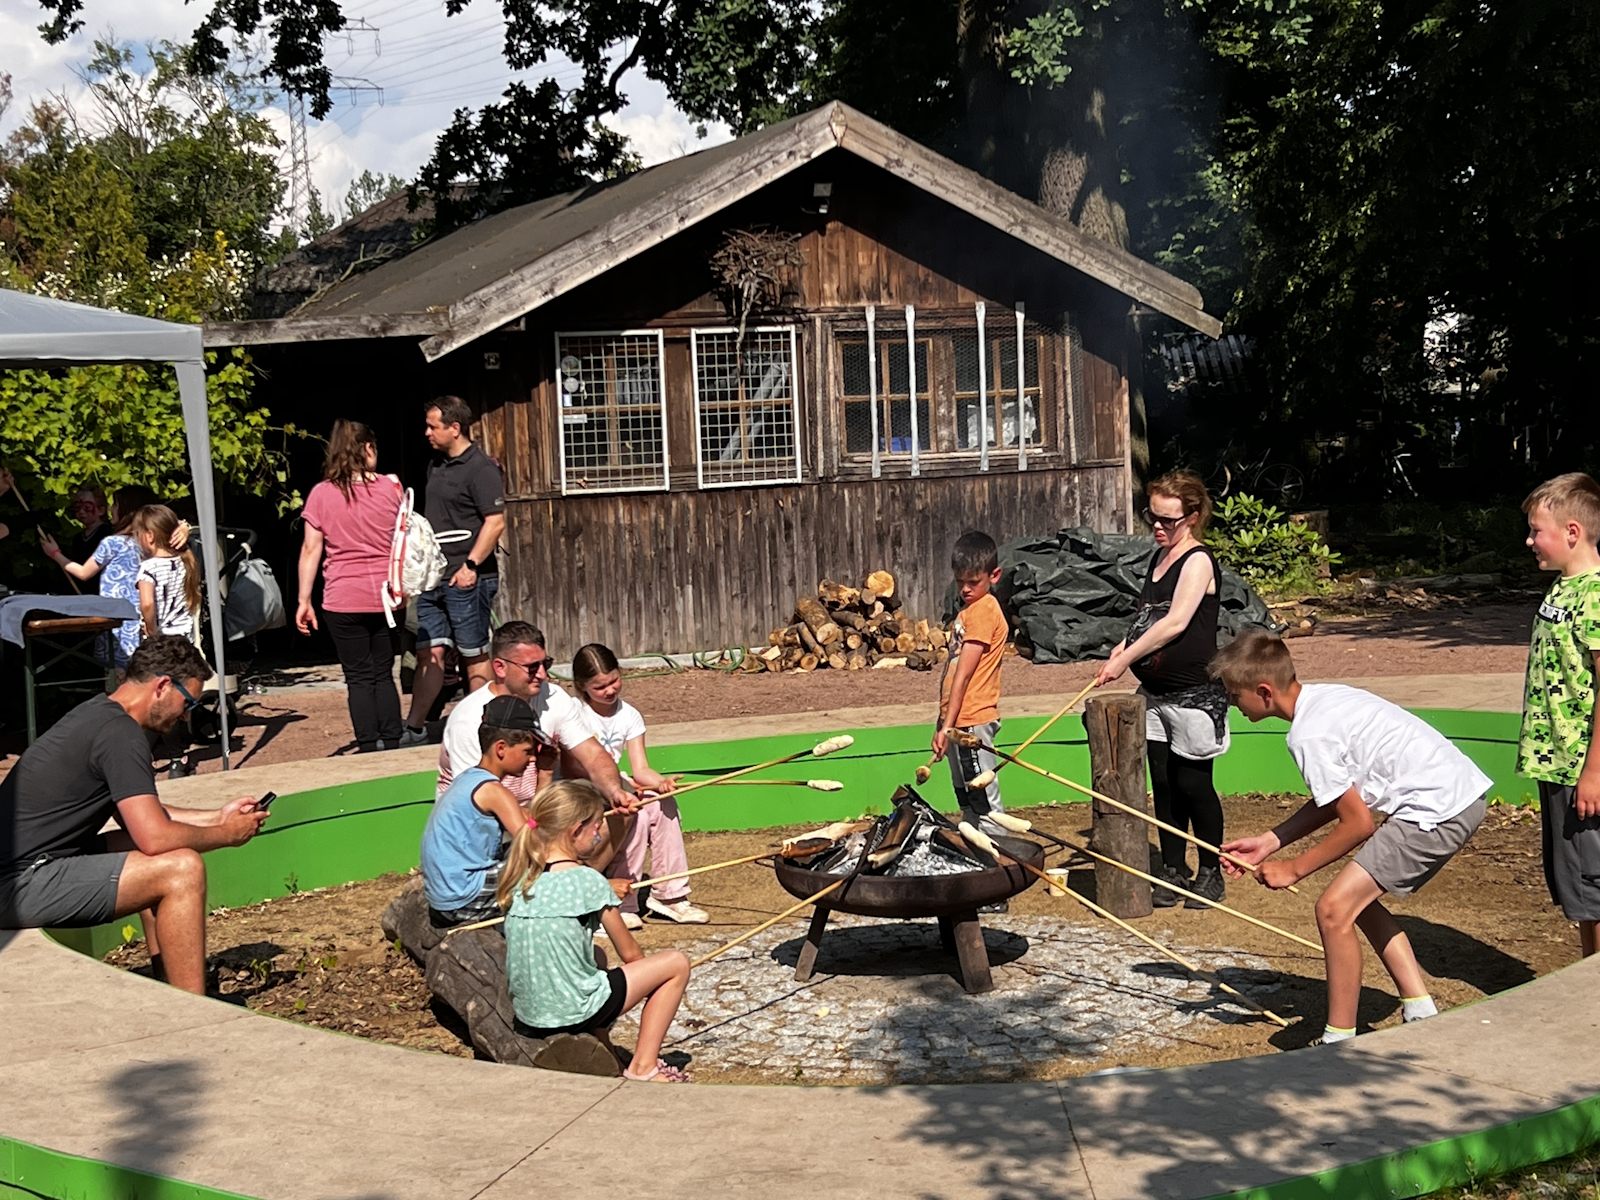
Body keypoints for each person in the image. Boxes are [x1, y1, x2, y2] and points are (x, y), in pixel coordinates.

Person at [1214, 629, 1488, 1045]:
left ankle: (1338, 1039)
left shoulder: (1308, 735)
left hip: (1436, 809)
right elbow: (1338, 798)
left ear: (1264, 692)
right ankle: (1419, 1006)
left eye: (1235, 696)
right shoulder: (1324, 699)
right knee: (1356, 901)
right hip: (1458, 796)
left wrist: (1294, 869)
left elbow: (1357, 823)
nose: (1234, 705)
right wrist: (1271, 841)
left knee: (1333, 909)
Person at [0, 636, 268, 993]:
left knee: (141, 847)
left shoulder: (100, 713)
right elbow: (155, 837)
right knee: (181, 869)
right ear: (162, 686)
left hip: (29, 868)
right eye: (188, 702)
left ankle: (168, 988)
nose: (185, 715)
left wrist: (217, 817)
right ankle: (195, 1010)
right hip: (16, 885)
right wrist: (226, 835)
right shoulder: (120, 735)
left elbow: (143, 813)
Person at [1095, 469, 1230, 907]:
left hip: (1194, 695)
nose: (1157, 526)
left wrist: (1125, 660)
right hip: (1154, 695)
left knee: (1194, 785)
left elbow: (1174, 622)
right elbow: (1146, 619)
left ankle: (1210, 870)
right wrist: (1120, 650)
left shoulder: (1198, 561)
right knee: (1164, 785)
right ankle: (1172, 867)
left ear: (1192, 517)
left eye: (1167, 520)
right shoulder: (1159, 558)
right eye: (1151, 516)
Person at [498, 779, 692, 1082]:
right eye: (597, 827)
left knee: (597, 955)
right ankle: (643, 1066)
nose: (600, 835)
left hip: (530, 1013)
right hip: (572, 1011)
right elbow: (632, 955)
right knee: (676, 964)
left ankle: (605, 1049)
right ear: (576, 830)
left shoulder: (521, 878)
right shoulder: (588, 880)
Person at [437, 623, 638, 860]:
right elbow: (476, 805)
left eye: (546, 664)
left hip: (540, 807)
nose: (543, 674)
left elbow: (593, 755)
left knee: (620, 794)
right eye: (532, 667)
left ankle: (575, 876)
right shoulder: (469, 720)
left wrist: (614, 792)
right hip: (485, 829)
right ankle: (557, 873)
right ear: (500, 667)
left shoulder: (554, 698)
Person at [1518, 472, 1600, 957]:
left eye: (1536, 531)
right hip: (1556, 762)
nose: (1529, 541)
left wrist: (1594, 771)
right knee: (1579, 893)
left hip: (1581, 767)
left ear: (1572, 532)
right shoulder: (1562, 588)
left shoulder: (1595, 594)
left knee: (1594, 887)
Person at [573, 643, 708, 927]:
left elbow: (641, 768)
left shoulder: (629, 714)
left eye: (614, 681)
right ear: (582, 686)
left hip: (619, 785)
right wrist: (620, 788)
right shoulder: (575, 713)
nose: (610, 690)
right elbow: (578, 769)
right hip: (585, 791)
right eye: (600, 687)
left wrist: (661, 783)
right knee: (637, 810)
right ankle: (624, 899)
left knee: (662, 803)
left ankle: (670, 895)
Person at [400, 396, 506, 745]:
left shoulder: (482, 468)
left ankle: (480, 728)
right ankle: (414, 727)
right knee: (429, 651)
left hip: (468, 578)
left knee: (473, 653)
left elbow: (495, 522)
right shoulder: (436, 465)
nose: (427, 432)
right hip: (434, 578)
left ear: (455, 428)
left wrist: (471, 566)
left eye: (433, 426)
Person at [296, 419, 405, 753]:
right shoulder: (390, 488)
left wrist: (303, 600)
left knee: (358, 676)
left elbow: (311, 549)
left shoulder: (321, 494)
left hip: (342, 597)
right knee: (384, 673)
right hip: (387, 596)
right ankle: (393, 740)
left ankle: (367, 745)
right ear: (367, 448)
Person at [420, 694, 543, 928]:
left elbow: (527, 820)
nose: (532, 759)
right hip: (462, 898)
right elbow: (533, 844)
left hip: (445, 895)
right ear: (501, 748)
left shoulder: (468, 779)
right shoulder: (493, 791)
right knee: (545, 872)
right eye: (527, 751)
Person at [931, 530, 1009, 837]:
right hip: (956, 719)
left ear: (994, 576)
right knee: (966, 797)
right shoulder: (968, 611)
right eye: (959, 581)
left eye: (973, 582)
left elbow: (964, 674)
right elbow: (950, 674)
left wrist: (948, 726)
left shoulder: (985, 610)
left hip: (972, 719)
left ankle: (999, 855)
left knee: (983, 799)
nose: (965, 588)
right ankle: (976, 850)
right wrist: (941, 723)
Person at [41, 485, 163, 669]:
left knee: (116, 667)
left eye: (115, 505)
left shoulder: (112, 542)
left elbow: (84, 572)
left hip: (115, 615)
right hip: (139, 615)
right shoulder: (148, 542)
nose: (111, 509)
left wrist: (55, 554)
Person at [131, 505, 201, 644]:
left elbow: (147, 604)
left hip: (161, 640)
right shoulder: (185, 560)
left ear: (150, 536)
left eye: (138, 534)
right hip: (185, 638)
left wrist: (151, 631)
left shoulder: (149, 568)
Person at [67, 485, 113, 561]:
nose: (81, 511)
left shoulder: (108, 534)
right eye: (77, 507)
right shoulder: (78, 538)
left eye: (87, 507)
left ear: (101, 510)